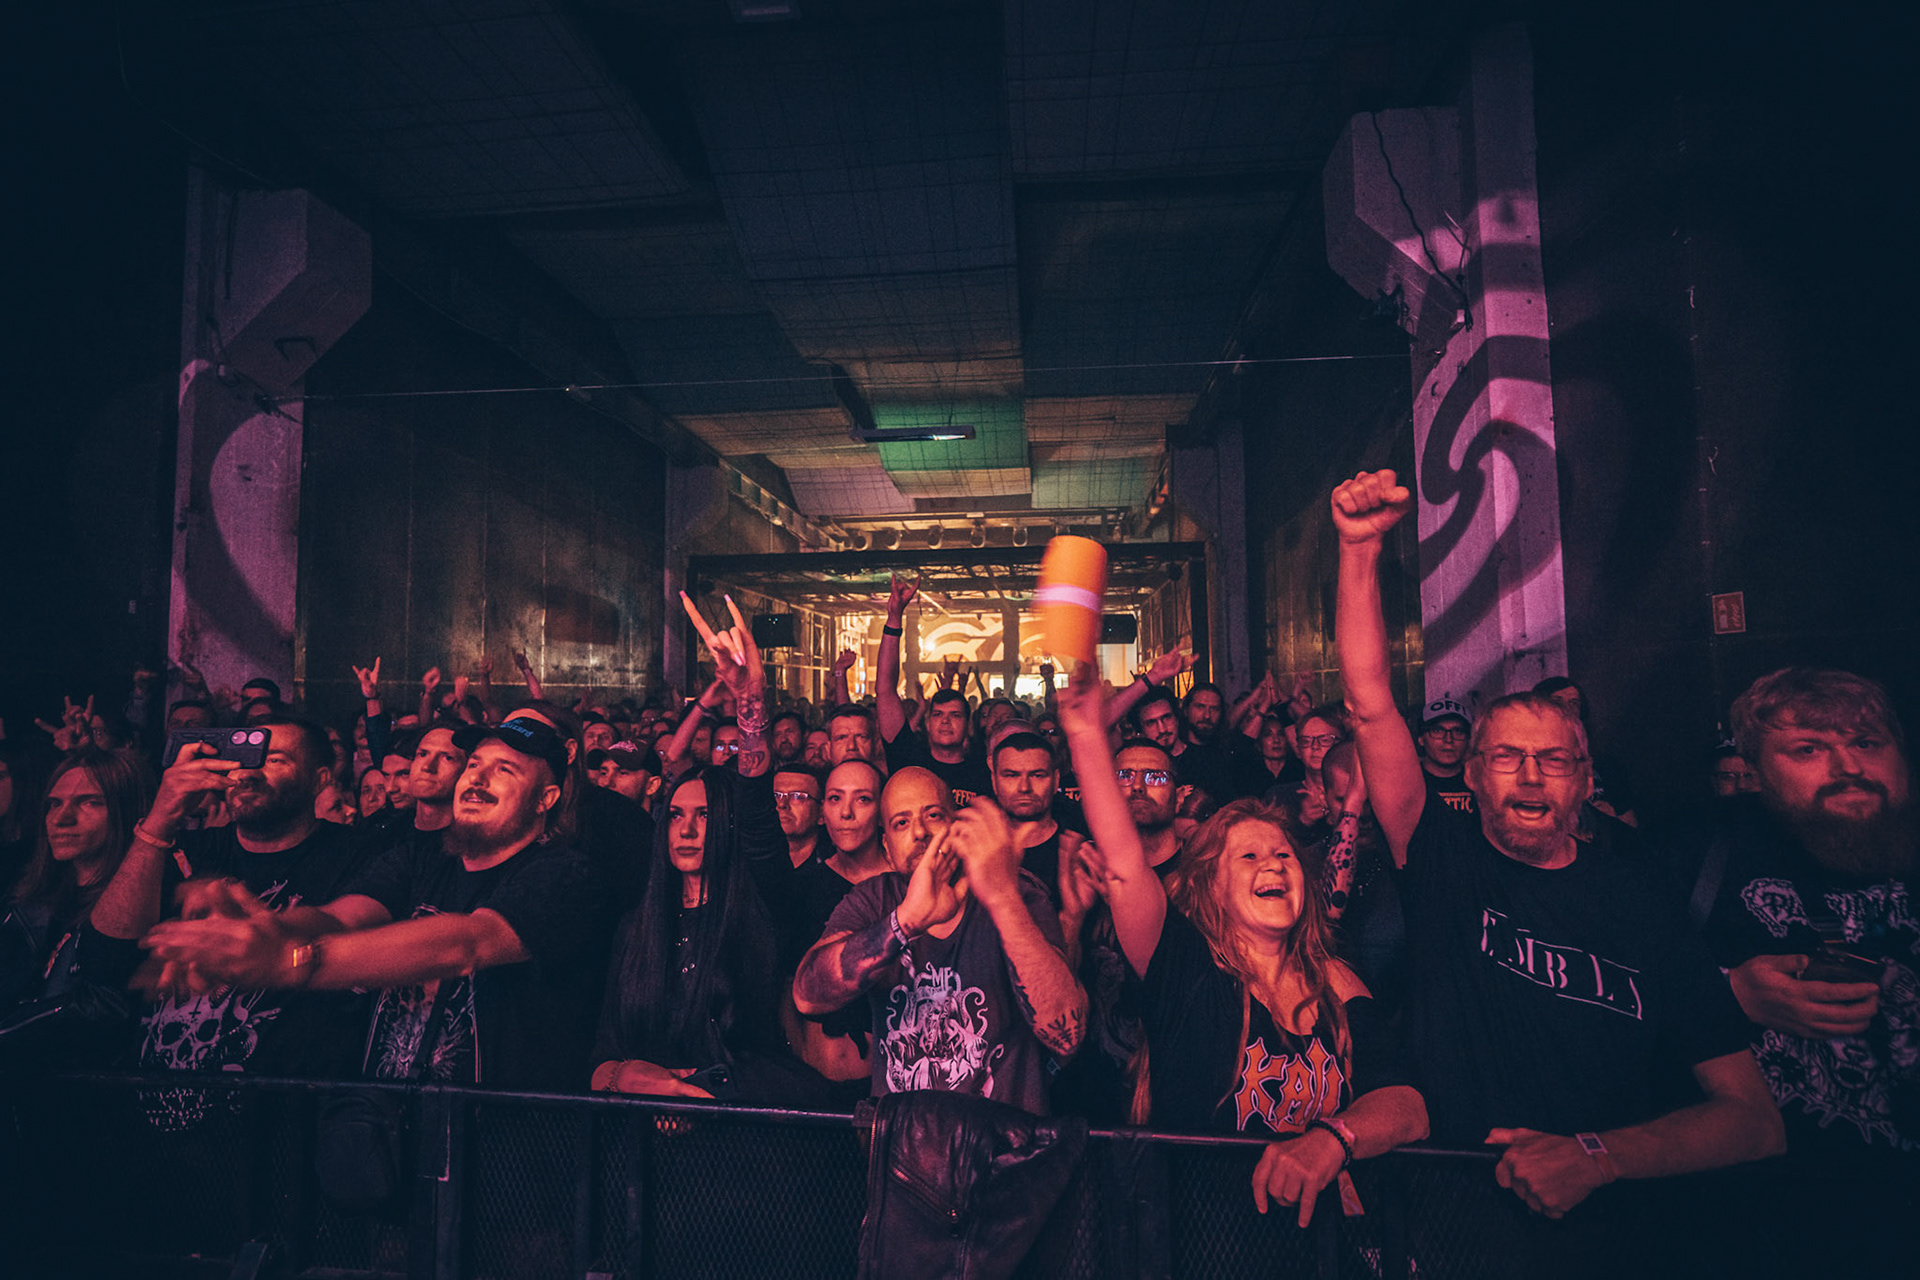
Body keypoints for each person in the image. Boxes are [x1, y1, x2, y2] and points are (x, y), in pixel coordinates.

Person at [1332, 468, 1783, 1271]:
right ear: (1470, 775)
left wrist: (1600, 1155)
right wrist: (1360, 551)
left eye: (1553, 760)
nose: (1531, 776)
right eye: (1506, 756)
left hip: (1611, 1241)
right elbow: (1370, 701)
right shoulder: (1440, 858)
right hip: (1454, 1229)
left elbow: (1752, 1120)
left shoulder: (1641, 903)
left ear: (1584, 781)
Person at [1056, 664, 1428, 1220]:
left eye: (1282, 854)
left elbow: (1409, 1106)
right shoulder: (1187, 969)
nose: (1272, 864)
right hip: (1214, 1246)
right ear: (1214, 887)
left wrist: (1333, 1140)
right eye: (1248, 856)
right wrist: (1087, 738)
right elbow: (1128, 863)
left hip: (1323, 1247)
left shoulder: (1333, 978)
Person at [140, 715, 610, 1091]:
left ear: (545, 798)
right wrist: (266, 927)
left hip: (505, 1157)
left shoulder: (565, 873)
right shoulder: (420, 858)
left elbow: (469, 942)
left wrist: (291, 961)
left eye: (504, 770)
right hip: (398, 1147)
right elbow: (341, 916)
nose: (477, 778)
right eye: (474, 764)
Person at [1702, 667, 1918, 1272]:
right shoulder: (1702, 858)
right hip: (1779, 1224)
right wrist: (1730, 993)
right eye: (1809, 749)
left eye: (1867, 743)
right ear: (1756, 769)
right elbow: (1621, 1003)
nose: (1847, 767)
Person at [593, 596, 828, 1104]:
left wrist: (750, 701)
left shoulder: (757, 908)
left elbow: (760, 820)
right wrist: (624, 1078)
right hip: (639, 1138)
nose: (687, 829)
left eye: (703, 816)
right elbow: (601, 1057)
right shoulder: (640, 924)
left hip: (737, 1139)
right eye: (675, 815)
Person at [82, 719, 373, 1098]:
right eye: (242, 758)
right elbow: (104, 956)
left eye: (274, 760)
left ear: (319, 780)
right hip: (157, 1101)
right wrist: (161, 816)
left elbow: (346, 921)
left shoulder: (355, 852)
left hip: (280, 1111)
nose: (248, 772)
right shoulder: (189, 849)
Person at [792, 768, 1086, 1114]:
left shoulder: (1018, 891)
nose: (919, 832)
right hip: (905, 1153)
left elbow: (1067, 1036)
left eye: (932, 815)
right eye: (901, 823)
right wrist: (906, 921)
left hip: (1002, 1153)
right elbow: (808, 997)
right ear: (887, 847)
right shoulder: (874, 900)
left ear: (956, 827)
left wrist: (1003, 899)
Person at [1, 748, 152, 1058]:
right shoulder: (31, 900)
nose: (62, 818)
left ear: (128, 810)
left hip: (84, 1087)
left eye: (89, 802)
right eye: (54, 804)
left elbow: (102, 1011)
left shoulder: (142, 906)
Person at [1417, 698, 1475, 816]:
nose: (1448, 739)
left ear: (1469, 739)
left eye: (1458, 731)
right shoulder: (1407, 783)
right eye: (1438, 731)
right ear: (1421, 739)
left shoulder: (1480, 783)